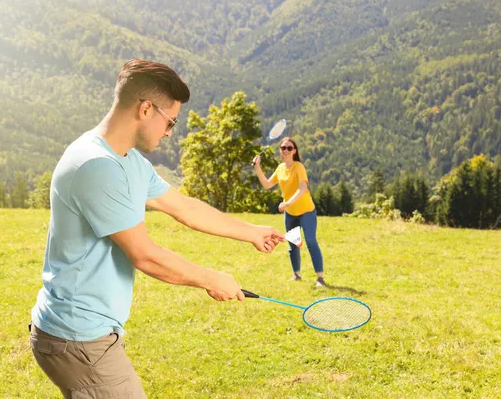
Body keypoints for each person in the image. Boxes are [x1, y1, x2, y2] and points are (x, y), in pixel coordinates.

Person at [30, 59, 284, 398]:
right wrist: (213, 279)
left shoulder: (129, 161)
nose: (169, 132)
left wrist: (251, 231)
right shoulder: (95, 165)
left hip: (85, 332)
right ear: (146, 109)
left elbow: (184, 208)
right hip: (77, 337)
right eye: (171, 121)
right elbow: (145, 255)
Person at [252, 137, 325, 287]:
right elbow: (267, 185)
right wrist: (257, 168)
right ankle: (297, 274)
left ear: (294, 151)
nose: (285, 150)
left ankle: (320, 278)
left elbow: (302, 189)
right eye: (283, 148)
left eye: (289, 148)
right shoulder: (280, 169)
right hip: (290, 213)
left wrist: (287, 202)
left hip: (306, 211)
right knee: (293, 244)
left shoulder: (298, 167)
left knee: (311, 241)